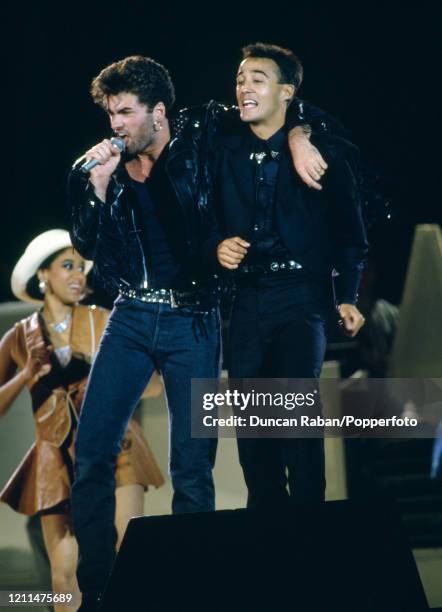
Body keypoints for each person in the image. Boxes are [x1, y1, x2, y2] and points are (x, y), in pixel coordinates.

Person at [67, 54, 343, 610]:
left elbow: (281, 110)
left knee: (192, 465)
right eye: (110, 114)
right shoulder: (93, 167)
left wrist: (299, 138)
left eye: (125, 112)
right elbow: (88, 249)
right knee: (92, 454)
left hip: (193, 317)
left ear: (159, 111)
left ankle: (191, 589)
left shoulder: (200, 132)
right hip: (130, 315)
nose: (115, 125)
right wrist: (94, 189)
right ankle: (98, 588)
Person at [214, 42, 368, 508]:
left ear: (287, 91)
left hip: (302, 296)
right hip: (245, 301)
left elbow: (350, 230)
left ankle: (310, 540)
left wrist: (349, 295)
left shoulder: (322, 152)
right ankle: (269, 548)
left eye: (257, 79)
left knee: (296, 420)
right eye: (240, 79)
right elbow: (197, 221)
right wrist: (214, 247)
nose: (244, 88)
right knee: (253, 438)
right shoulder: (220, 148)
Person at [0, 230, 164, 612]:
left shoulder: (104, 321)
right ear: (43, 275)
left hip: (114, 445)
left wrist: (104, 368)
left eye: (82, 268)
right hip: (53, 456)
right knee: (64, 572)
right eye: (67, 266)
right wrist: (27, 376)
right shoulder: (20, 337)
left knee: (128, 545)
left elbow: (153, 387)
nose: (79, 275)